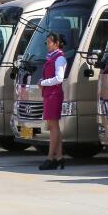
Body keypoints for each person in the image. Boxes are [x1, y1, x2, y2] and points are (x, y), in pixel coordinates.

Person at [37, 34, 66, 170]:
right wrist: (42, 82)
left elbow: (59, 78)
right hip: (49, 94)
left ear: (56, 43)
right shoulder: (51, 57)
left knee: (53, 127)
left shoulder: (59, 58)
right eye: (46, 42)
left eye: (49, 42)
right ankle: (59, 158)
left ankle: (50, 158)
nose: (47, 45)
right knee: (54, 127)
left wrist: (43, 82)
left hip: (54, 95)